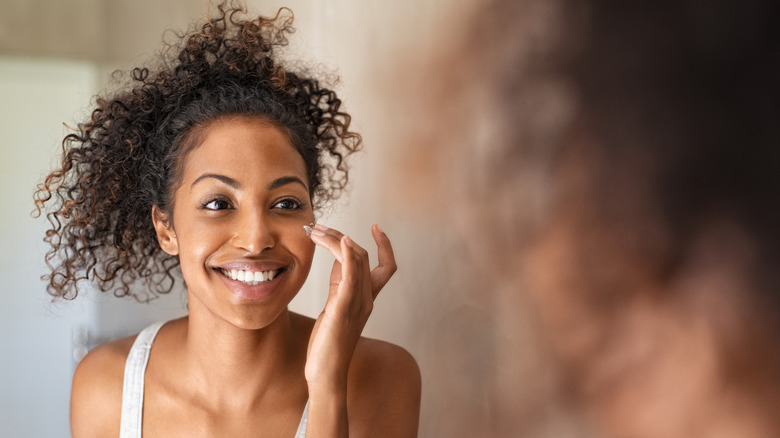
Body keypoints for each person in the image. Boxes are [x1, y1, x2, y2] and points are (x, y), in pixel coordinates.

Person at [33, 4, 421, 437]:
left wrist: (328, 382)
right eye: (218, 203)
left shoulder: (383, 376)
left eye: (287, 203)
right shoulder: (108, 386)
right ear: (166, 228)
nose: (256, 239)